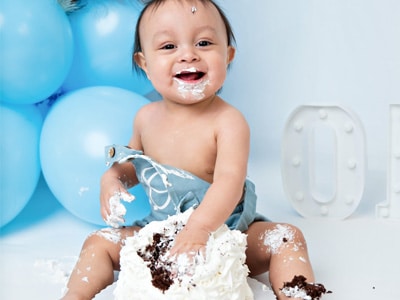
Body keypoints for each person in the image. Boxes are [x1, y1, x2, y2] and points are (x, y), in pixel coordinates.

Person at [61, 0, 316, 299]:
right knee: (98, 241)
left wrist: (200, 229)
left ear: (228, 55)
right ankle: (75, 296)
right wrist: (113, 179)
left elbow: (229, 183)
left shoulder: (229, 121)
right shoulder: (146, 118)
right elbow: (134, 165)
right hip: (159, 234)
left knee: (287, 237)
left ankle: (295, 295)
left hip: (227, 233)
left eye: (204, 42)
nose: (188, 54)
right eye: (168, 46)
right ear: (145, 64)